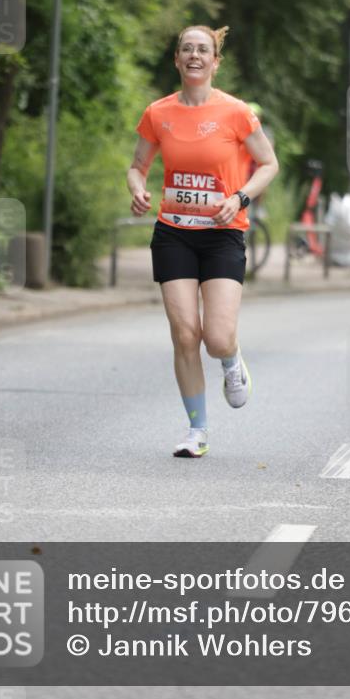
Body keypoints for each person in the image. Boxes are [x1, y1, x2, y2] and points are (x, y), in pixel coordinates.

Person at [127, 25, 279, 458]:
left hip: (222, 235)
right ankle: (197, 431)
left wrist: (240, 197)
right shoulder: (158, 113)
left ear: (215, 62)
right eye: (186, 49)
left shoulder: (235, 113)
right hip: (173, 232)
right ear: (176, 60)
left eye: (203, 51)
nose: (194, 56)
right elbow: (138, 165)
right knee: (184, 333)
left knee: (215, 337)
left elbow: (269, 164)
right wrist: (137, 186)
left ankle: (231, 360)